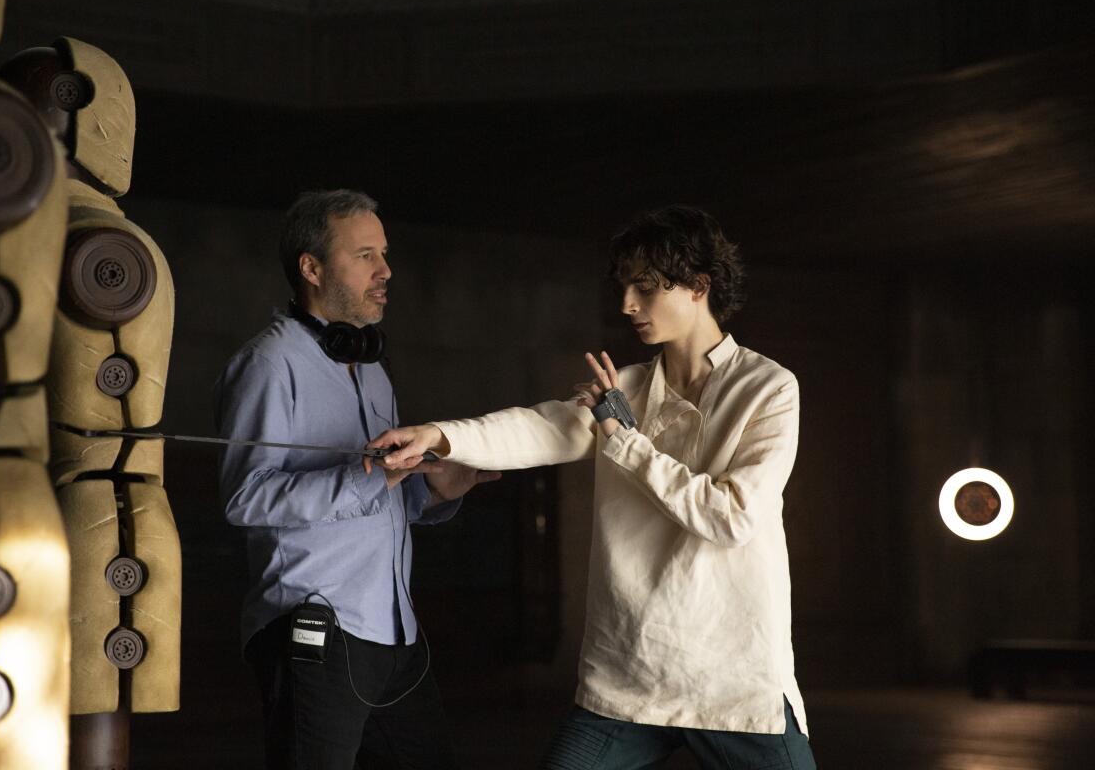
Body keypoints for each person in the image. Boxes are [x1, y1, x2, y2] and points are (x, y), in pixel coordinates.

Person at [371, 206, 817, 769]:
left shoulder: (768, 387)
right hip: (630, 672)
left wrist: (623, 436)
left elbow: (731, 517)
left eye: (647, 287)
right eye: (625, 286)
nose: (628, 303)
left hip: (732, 676)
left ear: (700, 286)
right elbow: (539, 427)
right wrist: (437, 436)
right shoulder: (626, 388)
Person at [214, 189, 498, 770]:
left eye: (384, 254)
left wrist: (434, 490)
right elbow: (246, 498)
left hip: (392, 631)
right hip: (315, 628)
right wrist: (371, 479)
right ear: (311, 268)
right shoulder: (270, 364)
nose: (386, 271)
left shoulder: (370, 368)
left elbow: (378, 494)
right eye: (365, 255)